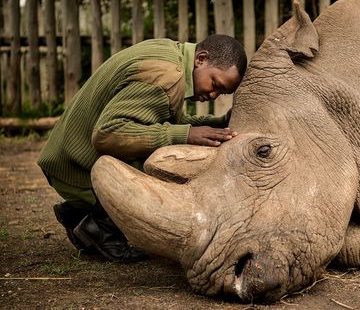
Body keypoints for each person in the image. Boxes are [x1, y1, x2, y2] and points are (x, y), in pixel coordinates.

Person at [37, 34, 247, 262]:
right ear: (201, 59)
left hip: (65, 156)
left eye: (221, 93)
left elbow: (162, 121)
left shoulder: (170, 54)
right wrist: (185, 135)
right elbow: (108, 134)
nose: (213, 94)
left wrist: (217, 125)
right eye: (215, 84)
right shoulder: (166, 77)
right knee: (166, 164)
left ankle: (81, 213)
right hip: (74, 168)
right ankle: (95, 220)